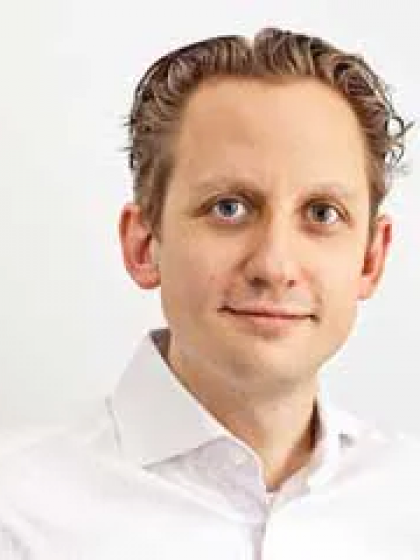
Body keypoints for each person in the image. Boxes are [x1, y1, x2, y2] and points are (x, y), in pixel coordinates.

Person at [0, 27, 418, 559]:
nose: (274, 266)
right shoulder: (15, 510)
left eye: (322, 213)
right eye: (229, 207)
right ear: (144, 244)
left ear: (371, 258)